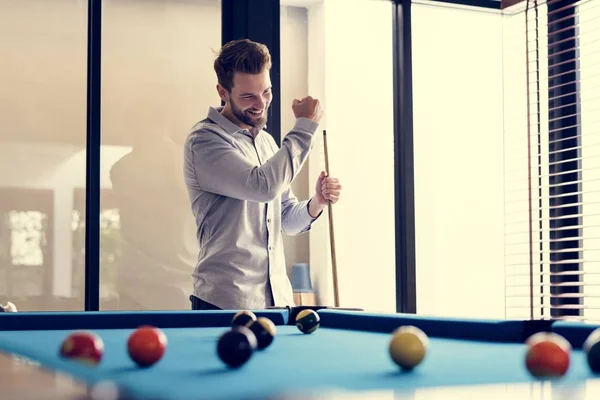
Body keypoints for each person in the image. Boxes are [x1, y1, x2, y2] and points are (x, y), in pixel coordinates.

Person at [183, 39, 342, 310]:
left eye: (266, 92)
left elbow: (286, 220)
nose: (261, 104)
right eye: (248, 96)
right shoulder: (205, 141)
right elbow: (262, 188)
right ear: (223, 91)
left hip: (276, 303)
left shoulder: (267, 143)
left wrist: (316, 203)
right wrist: (304, 127)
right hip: (224, 303)